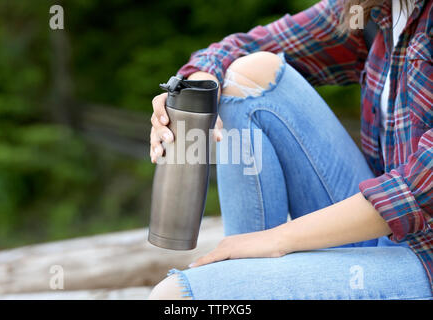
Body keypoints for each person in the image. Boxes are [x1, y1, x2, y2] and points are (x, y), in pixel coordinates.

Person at [148, 0, 432, 299]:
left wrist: (276, 239)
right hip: (379, 231)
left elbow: (419, 190)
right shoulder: (373, 9)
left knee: (175, 297)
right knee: (246, 75)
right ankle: (241, 270)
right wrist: (197, 84)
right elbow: (242, 46)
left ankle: (243, 278)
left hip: (425, 259)